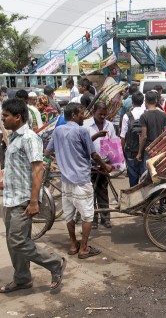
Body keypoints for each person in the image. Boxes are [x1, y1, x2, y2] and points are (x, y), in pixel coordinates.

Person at [0, 98, 66, 293]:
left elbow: (38, 169)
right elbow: (18, 166)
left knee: (18, 241)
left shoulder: (29, 138)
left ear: (17, 117)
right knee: (13, 243)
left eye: (6, 116)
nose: (3, 120)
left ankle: (55, 263)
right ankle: (22, 278)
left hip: (23, 200)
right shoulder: (14, 138)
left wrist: (34, 201)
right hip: (10, 198)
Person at [45, 103, 111, 259]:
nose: (84, 116)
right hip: (81, 179)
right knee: (87, 215)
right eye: (81, 113)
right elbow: (93, 154)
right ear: (74, 115)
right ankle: (84, 248)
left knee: (69, 215)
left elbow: (48, 152)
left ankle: (73, 244)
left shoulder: (58, 130)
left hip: (66, 180)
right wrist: (106, 166)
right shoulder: (82, 130)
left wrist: (63, 160)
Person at [85, 102, 117, 229]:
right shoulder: (86, 125)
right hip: (90, 162)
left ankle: (105, 218)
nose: (103, 117)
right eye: (100, 114)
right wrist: (97, 135)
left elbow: (114, 143)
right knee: (90, 192)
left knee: (103, 190)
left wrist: (115, 162)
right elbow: (84, 143)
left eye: (105, 114)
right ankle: (93, 220)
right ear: (94, 112)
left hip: (104, 162)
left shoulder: (109, 125)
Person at [120, 91, 145, 187]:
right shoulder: (146, 114)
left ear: (132, 102)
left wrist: (122, 152)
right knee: (144, 176)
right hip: (144, 151)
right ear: (142, 102)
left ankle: (134, 197)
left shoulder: (127, 116)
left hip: (131, 150)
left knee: (133, 177)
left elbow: (123, 136)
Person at [137, 91, 166, 163]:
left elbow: (144, 136)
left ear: (146, 101)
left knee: (148, 171)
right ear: (156, 101)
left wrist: (139, 153)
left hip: (149, 148)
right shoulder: (163, 115)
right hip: (159, 147)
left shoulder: (144, 116)